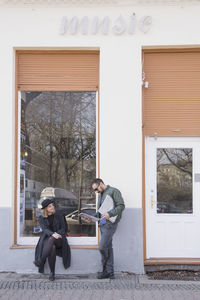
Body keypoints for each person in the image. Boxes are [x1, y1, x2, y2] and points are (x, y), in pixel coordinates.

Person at [91, 178, 125, 279]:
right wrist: (93, 217)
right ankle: (109, 272)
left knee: (102, 247)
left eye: (96, 189)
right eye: (95, 190)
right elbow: (101, 211)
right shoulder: (101, 195)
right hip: (101, 224)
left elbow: (121, 206)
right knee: (108, 248)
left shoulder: (114, 191)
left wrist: (110, 214)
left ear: (101, 184)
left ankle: (107, 270)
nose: (96, 192)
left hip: (110, 224)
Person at [34, 198, 71, 281]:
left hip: (60, 238)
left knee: (52, 240)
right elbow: (45, 230)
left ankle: (41, 261)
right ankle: (52, 273)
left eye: (52, 205)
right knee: (52, 248)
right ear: (45, 209)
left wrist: (57, 234)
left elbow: (63, 228)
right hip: (48, 239)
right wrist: (52, 234)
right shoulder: (41, 218)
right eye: (50, 206)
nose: (52, 207)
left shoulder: (59, 215)